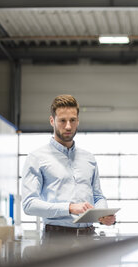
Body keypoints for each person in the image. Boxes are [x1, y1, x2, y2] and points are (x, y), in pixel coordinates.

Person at [21, 94, 115, 238]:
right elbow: (29, 204)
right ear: (52, 121)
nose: (68, 126)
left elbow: (97, 196)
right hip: (56, 238)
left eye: (72, 120)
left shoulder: (89, 158)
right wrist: (69, 208)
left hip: (89, 237)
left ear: (78, 121)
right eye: (62, 121)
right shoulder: (36, 158)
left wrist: (103, 214)